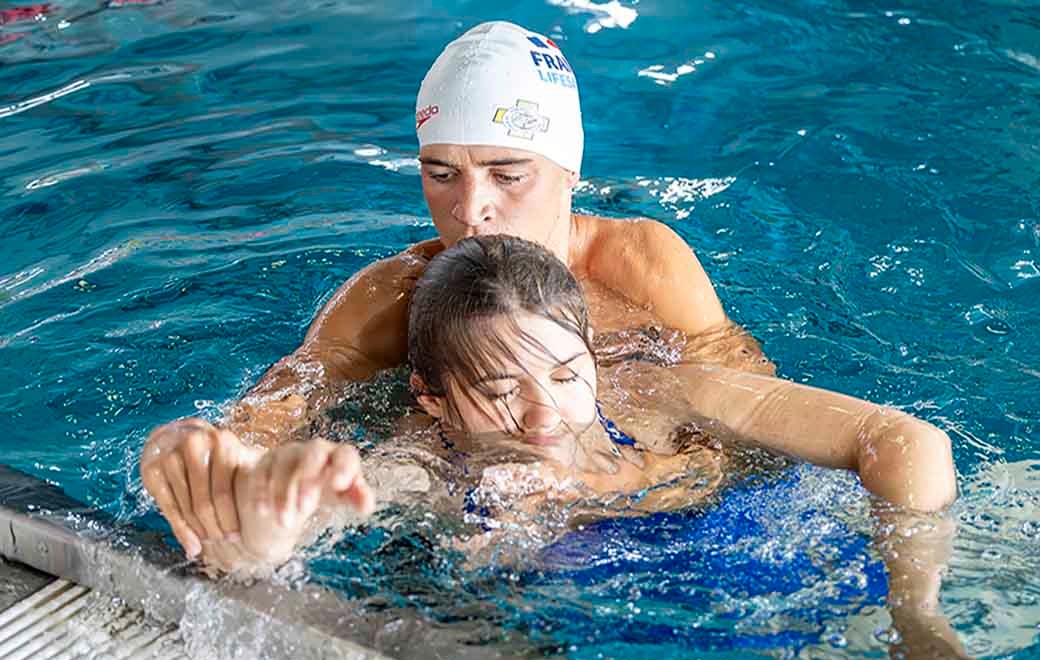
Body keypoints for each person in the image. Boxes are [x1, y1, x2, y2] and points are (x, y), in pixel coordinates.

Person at [143, 234, 994, 660]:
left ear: (593, 354)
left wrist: (916, 611)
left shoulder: (660, 396)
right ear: (432, 400)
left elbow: (907, 441)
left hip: (858, 592)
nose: (545, 415)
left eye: (563, 373)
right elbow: (260, 553)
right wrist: (279, 500)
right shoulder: (422, 469)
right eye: (499, 390)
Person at [142, 20, 777, 551]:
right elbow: (283, 401)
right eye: (442, 173)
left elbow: (754, 407)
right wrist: (213, 451)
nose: (470, 210)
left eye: (508, 175)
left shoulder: (641, 262)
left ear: (569, 168)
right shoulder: (391, 295)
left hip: (662, 504)